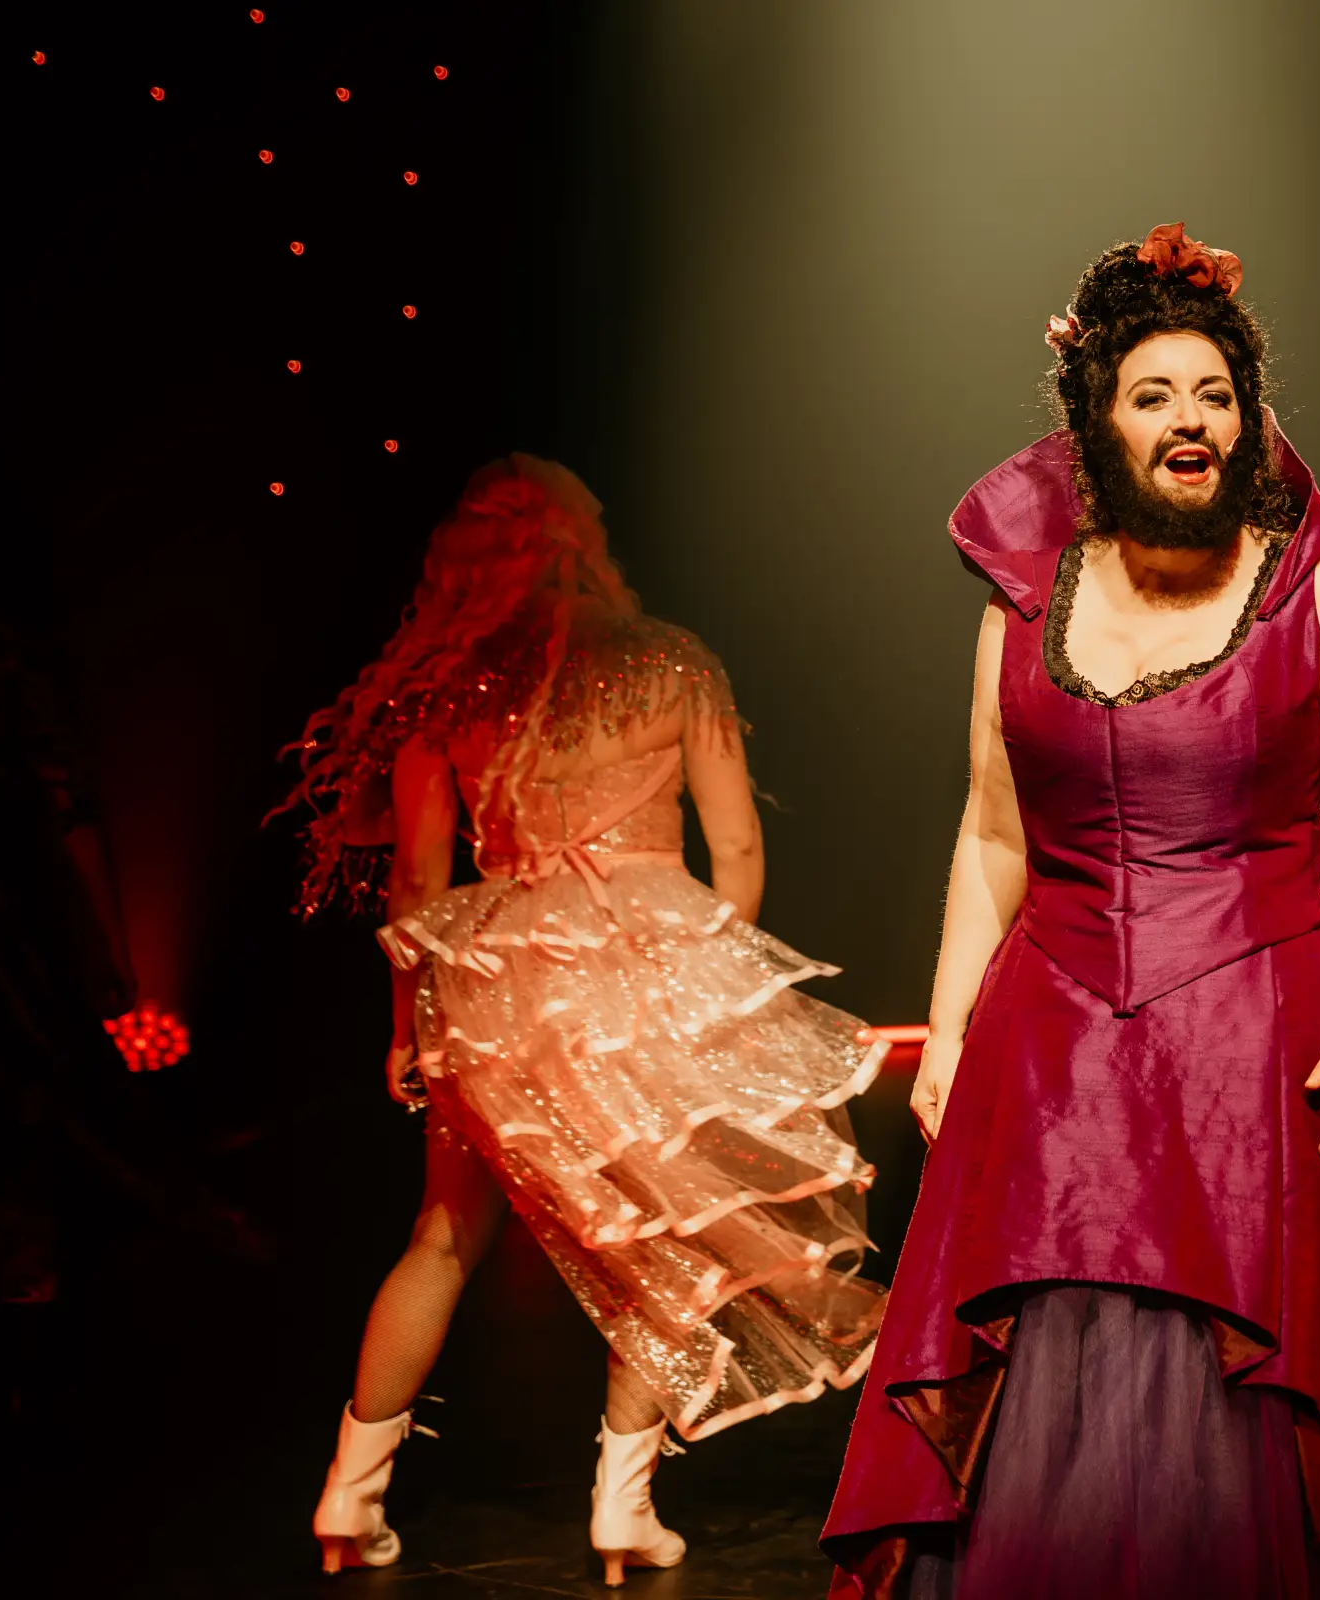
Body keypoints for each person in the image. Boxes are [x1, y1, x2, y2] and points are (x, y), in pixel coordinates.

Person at [819, 226, 1320, 1599]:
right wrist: (947, 1027)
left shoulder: (1314, 594)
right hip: (1056, 1063)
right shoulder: (1023, 609)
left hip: (1262, 1052)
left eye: (1216, 395)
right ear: (1097, 427)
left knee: (1265, 1412)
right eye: (1155, 395)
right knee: (1056, 1412)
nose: (1192, 420)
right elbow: (993, 831)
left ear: (1248, 422)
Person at [276, 457, 885, 1584]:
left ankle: (347, 1499)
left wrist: (408, 1025)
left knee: (441, 1237)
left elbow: (417, 884)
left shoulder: (448, 686)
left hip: (498, 982)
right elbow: (736, 848)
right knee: (651, 1243)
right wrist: (709, 988)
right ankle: (621, 1507)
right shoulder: (673, 661)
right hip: (645, 974)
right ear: (583, 540)